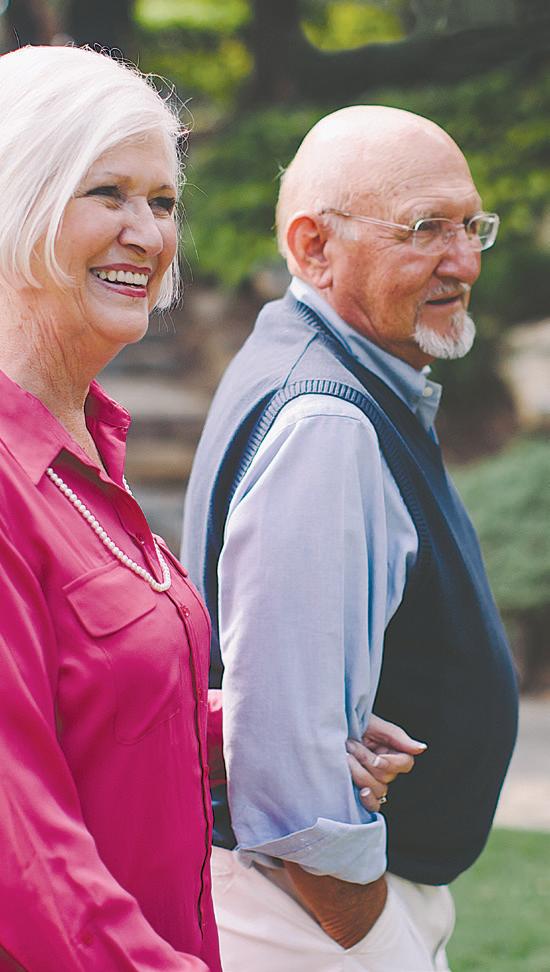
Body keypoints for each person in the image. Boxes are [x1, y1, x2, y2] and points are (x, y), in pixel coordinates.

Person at [182, 105, 519, 971]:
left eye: (471, 225)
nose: (464, 261)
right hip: (314, 921)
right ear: (314, 247)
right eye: (425, 229)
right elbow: (288, 767)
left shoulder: (312, 363)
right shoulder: (327, 419)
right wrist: (374, 937)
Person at [0, 45, 222, 971]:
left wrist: (264, 735)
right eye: (109, 194)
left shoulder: (90, 444)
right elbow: (24, 856)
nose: (148, 233)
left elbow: (101, 707)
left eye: (162, 202)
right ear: (19, 200)